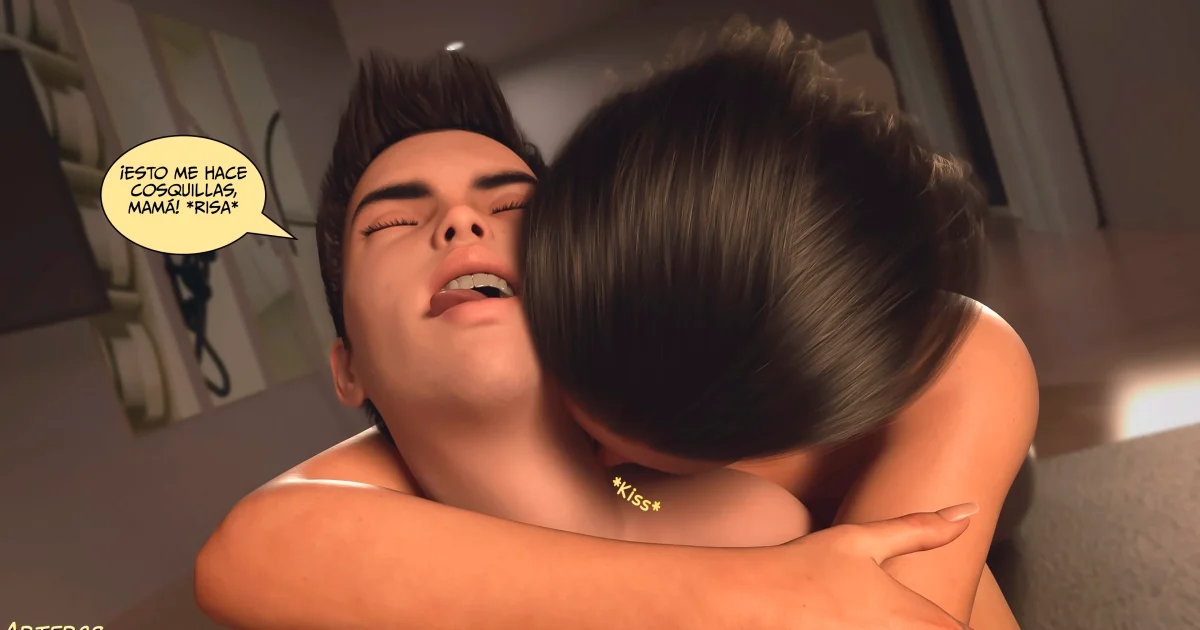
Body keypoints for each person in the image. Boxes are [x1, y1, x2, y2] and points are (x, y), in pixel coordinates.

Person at [196, 20, 1035, 630]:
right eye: (390, 223)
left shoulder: (722, 452)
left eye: (514, 209)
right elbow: (255, 547)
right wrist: (764, 595)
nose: (460, 222)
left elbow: (964, 343)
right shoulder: (348, 510)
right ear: (347, 368)